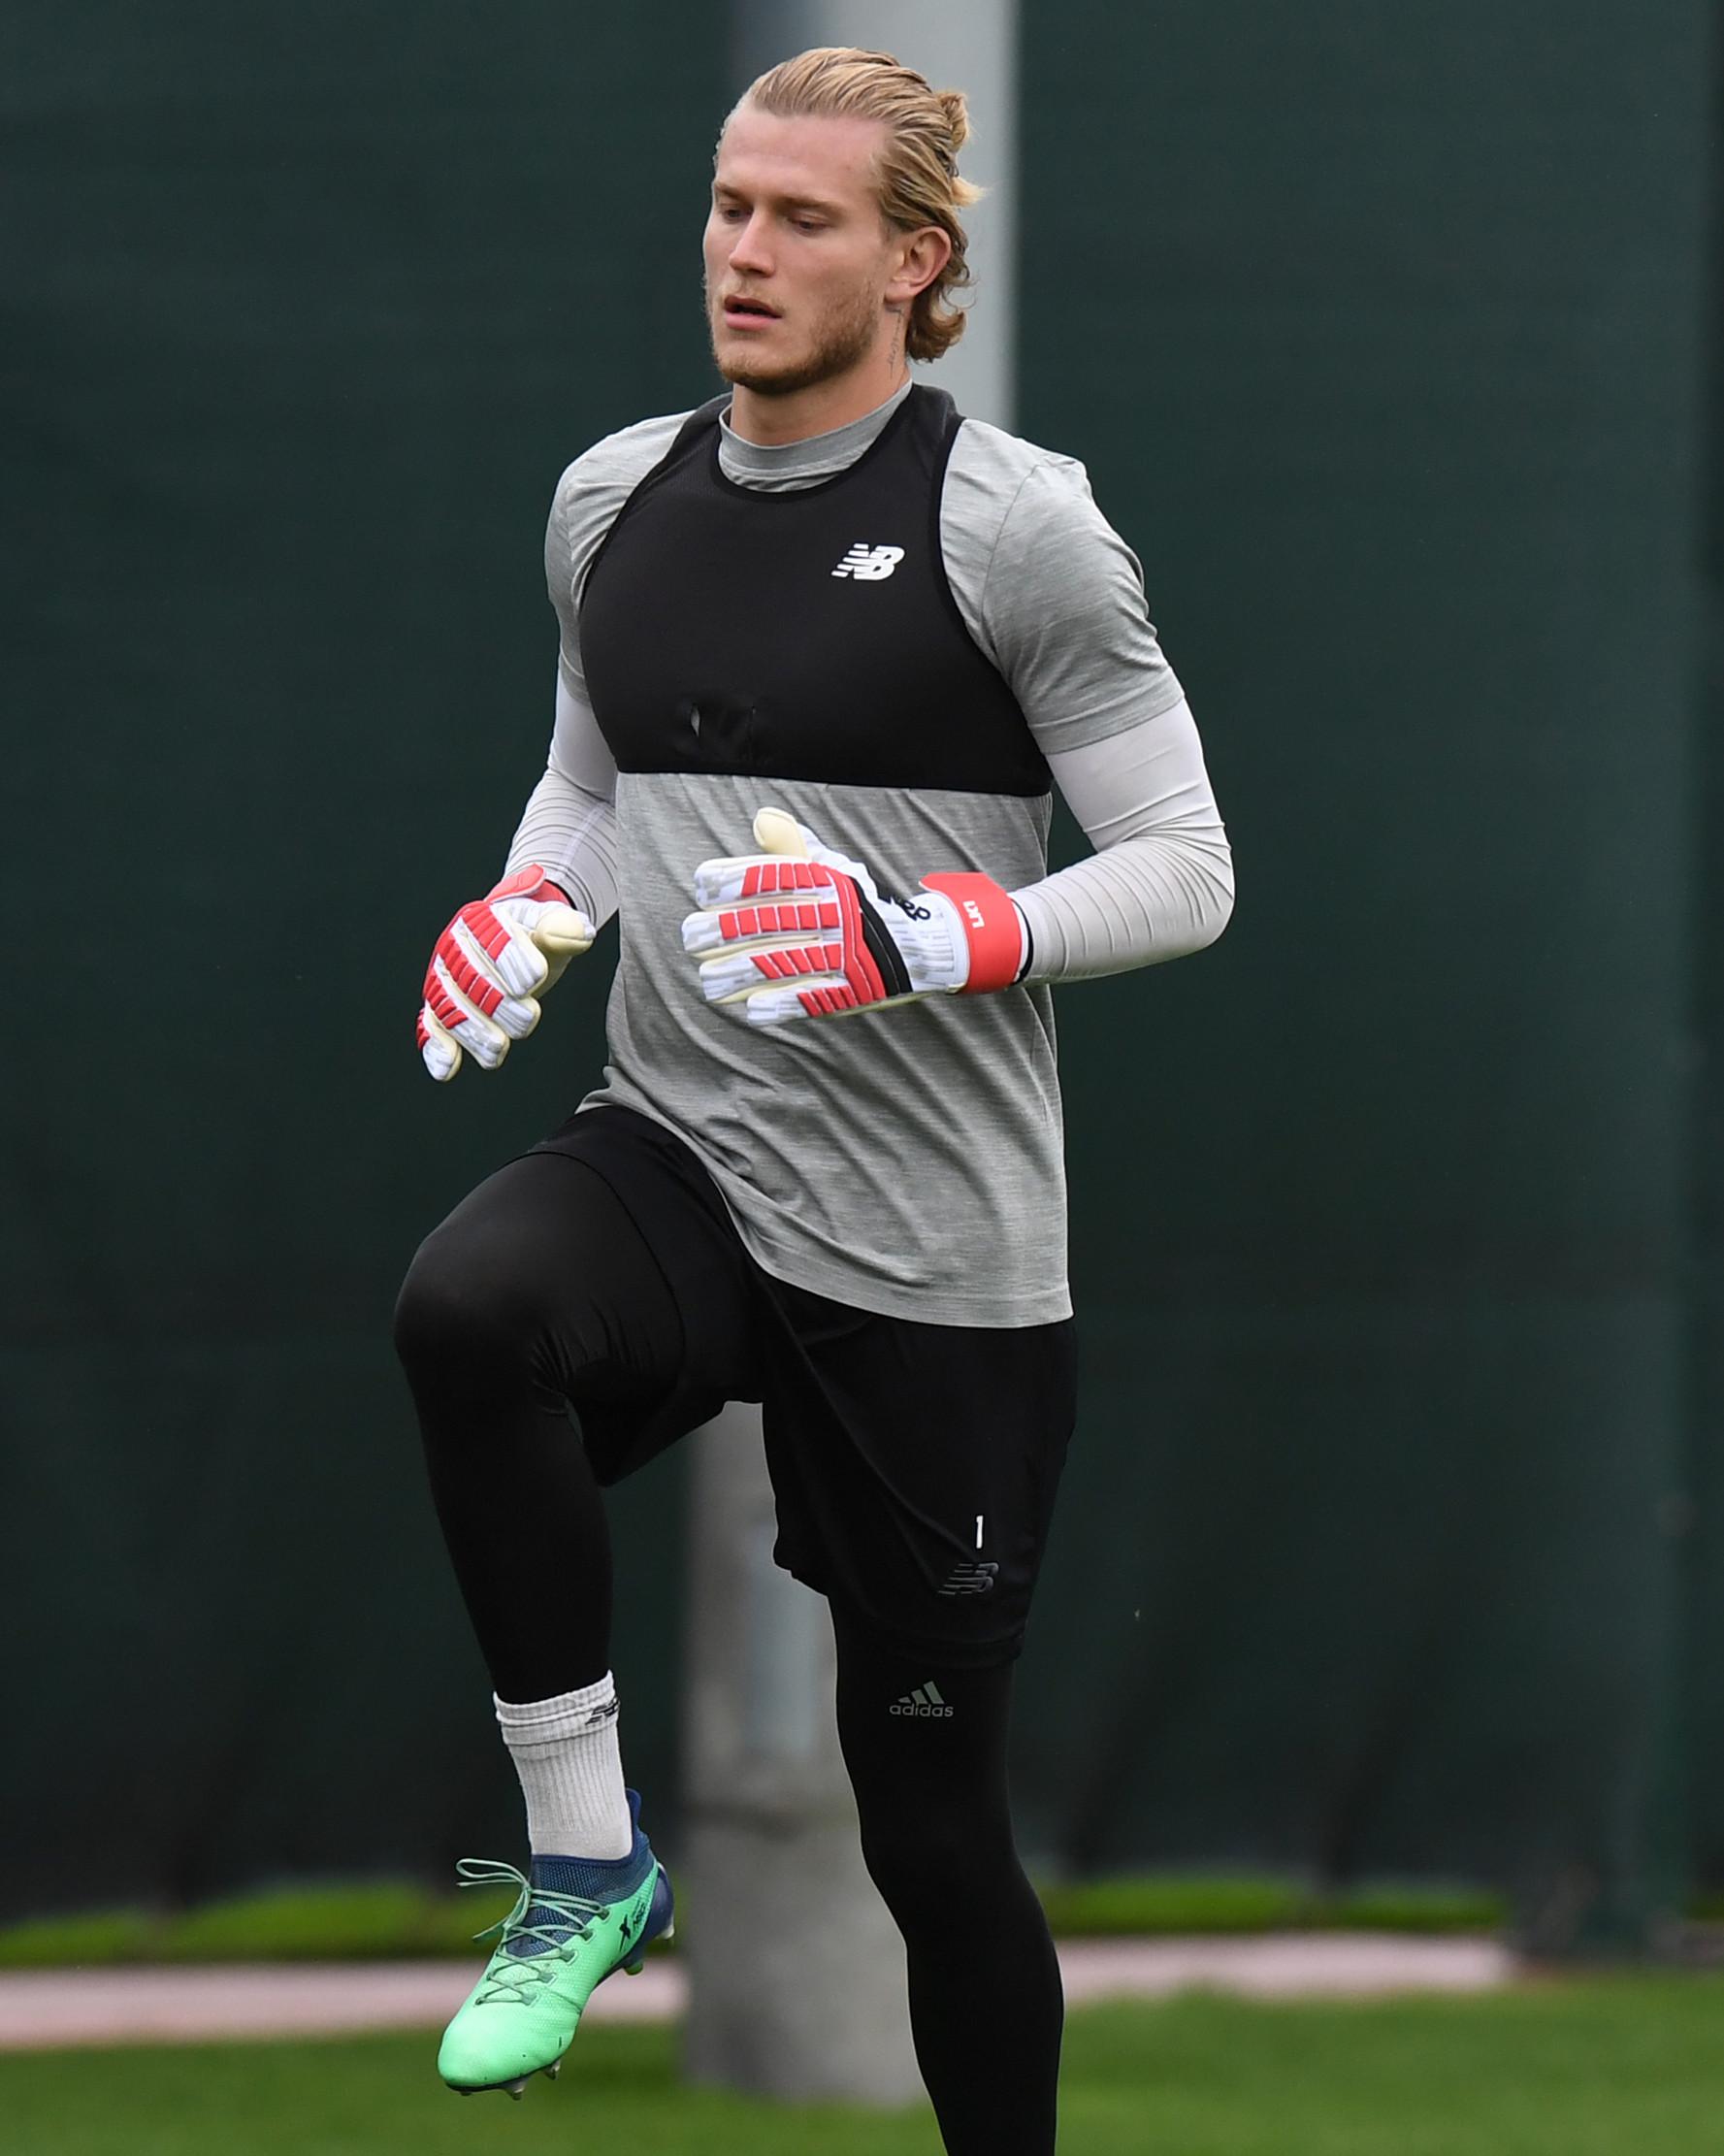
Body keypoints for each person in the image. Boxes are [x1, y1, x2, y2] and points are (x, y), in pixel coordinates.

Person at [393, 44, 1233, 2154]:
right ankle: (587, 1861)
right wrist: (520, 914)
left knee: (932, 1832)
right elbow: (589, 784)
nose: (744, 251)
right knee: (467, 1308)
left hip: (934, 1248)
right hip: (683, 1151)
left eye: (803, 219)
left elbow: (1188, 866)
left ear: (915, 258)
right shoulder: (611, 497)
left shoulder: (1017, 527)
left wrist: (938, 933)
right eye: (727, 205)